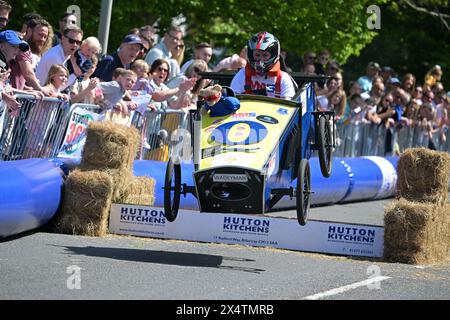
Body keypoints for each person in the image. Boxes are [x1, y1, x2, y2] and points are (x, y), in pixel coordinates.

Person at [230, 31, 295, 100]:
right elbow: (233, 99)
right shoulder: (242, 74)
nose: (260, 59)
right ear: (251, 55)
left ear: (273, 55)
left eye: (265, 55)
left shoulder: (283, 78)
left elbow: (288, 107)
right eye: (257, 55)